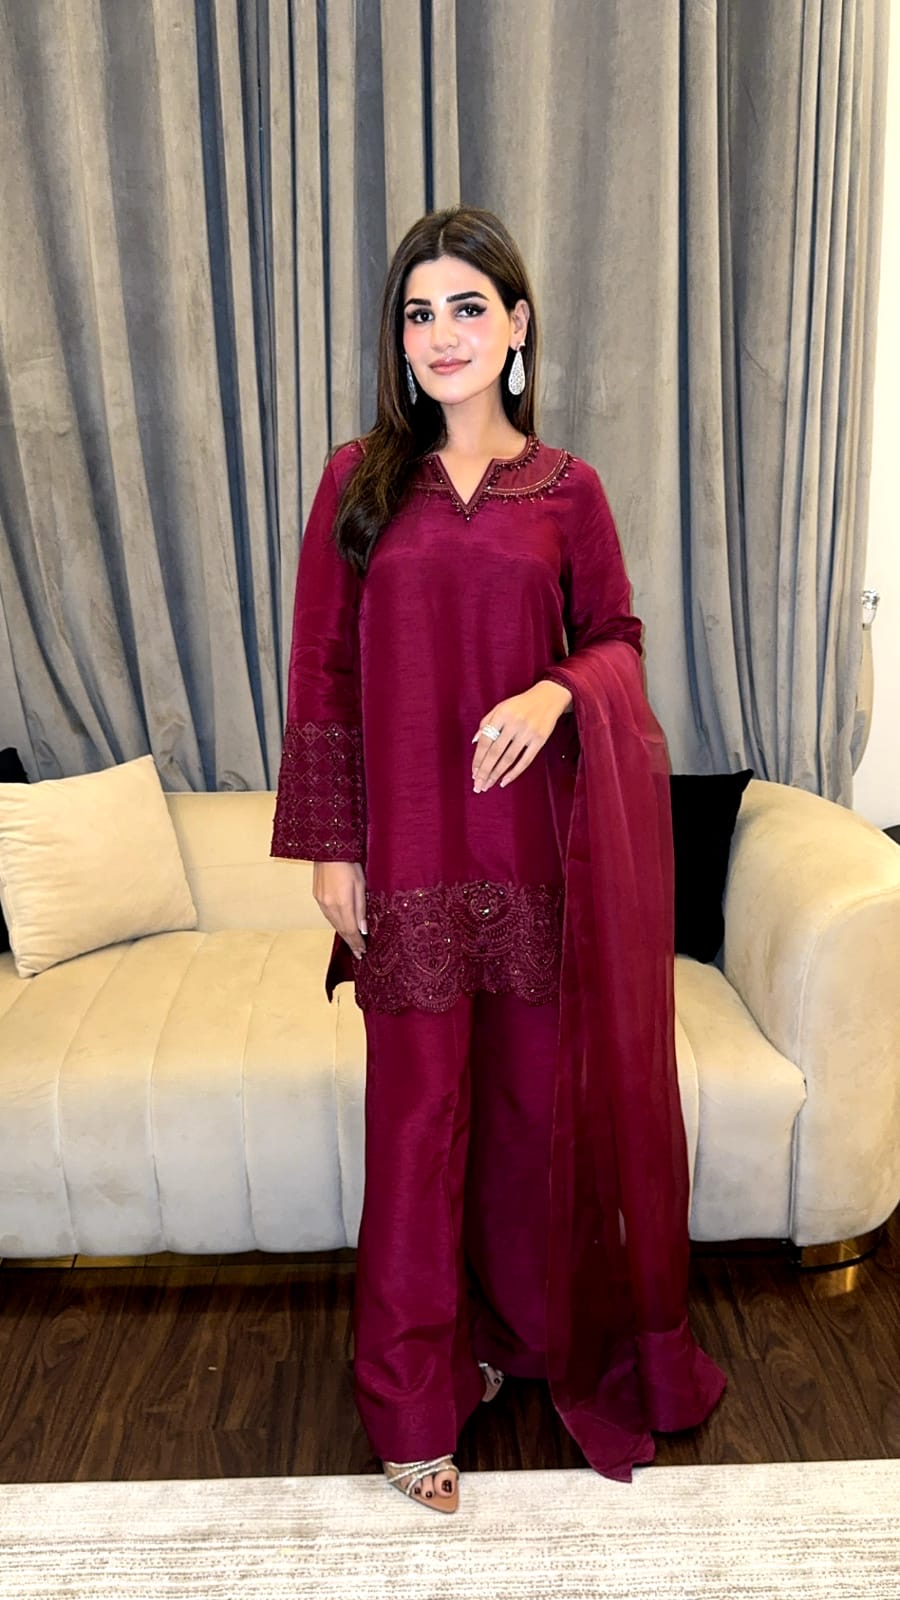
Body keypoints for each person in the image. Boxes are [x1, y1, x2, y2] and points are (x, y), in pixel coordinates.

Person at [270, 205, 727, 1515]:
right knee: (416, 1131)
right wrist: (331, 850)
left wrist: (555, 689)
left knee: (531, 1126)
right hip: (410, 861)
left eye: (469, 307)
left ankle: (522, 1344)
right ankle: (411, 1399)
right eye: (420, 313)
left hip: (536, 865)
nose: (443, 334)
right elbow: (323, 674)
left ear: (518, 325)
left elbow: (621, 636)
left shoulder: (570, 491)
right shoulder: (358, 483)